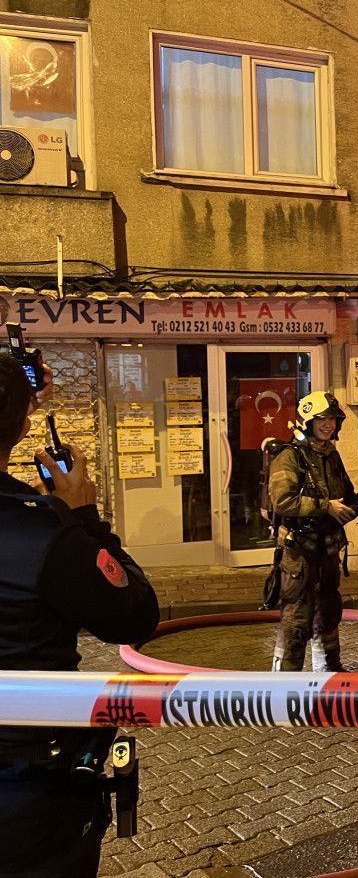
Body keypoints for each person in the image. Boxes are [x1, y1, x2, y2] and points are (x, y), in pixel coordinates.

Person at [0, 352, 159, 875]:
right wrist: (85, 519)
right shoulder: (44, 536)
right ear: (23, 428)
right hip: (28, 797)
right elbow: (132, 615)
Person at [269, 391, 358, 671]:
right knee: (297, 615)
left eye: (332, 419)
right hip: (300, 551)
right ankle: (285, 679)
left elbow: (345, 492)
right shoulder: (289, 456)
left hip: (328, 548)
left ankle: (328, 670)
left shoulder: (331, 454)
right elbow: (283, 501)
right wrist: (326, 507)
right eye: (322, 419)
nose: (328, 425)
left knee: (329, 609)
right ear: (308, 422)